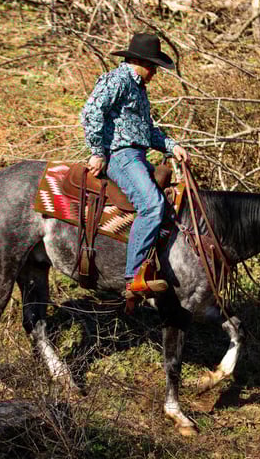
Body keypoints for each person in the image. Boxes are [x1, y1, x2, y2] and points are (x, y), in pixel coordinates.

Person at [79, 33, 190, 295]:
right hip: (121, 155)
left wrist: (172, 146)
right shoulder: (117, 80)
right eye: (153, 66)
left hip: (137, 156)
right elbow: (91, 112)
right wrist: (97, 152)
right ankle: (133, 276)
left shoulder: (138, 88)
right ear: (140, 62)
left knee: (169, 205)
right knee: (151, 205)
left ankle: (158, 265)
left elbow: (147, 131)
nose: (155, 72)